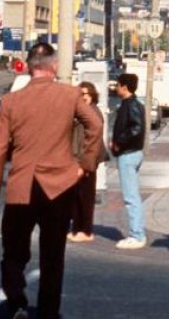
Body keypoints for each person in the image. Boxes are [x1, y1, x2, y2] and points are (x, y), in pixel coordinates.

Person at [0, 42, 102, 319]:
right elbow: (95, 125)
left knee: (13, 252)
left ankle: (17, 302)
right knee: (52, 256)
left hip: (21, 186)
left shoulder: (11, 102)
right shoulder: (70, 95)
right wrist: (83, 165)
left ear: (29, 66)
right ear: (53, 66)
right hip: (60, 185)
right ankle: (48, 313)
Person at [112, 72, 147, 250]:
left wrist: (119, 141)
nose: (115, 88)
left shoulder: (131, 105)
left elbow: (137, 128)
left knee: (130, 196)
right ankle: (137, 232)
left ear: (124, 87)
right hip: (132, 152)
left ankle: (137, 234)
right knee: (133, 195)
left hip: (128, 154)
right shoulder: (132, 104)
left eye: (117, 85)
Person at [68, 80, 106, 243]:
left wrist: (86, 162)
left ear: (92, 96)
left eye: (85, 94)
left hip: (87, 160)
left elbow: (90, 140)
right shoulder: (81, 113)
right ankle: (78, 229)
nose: (83, 97)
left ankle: (85, 230)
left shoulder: (93, 113)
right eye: (80, 94)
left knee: (85, 196)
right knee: (77, 196)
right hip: (78, 158)